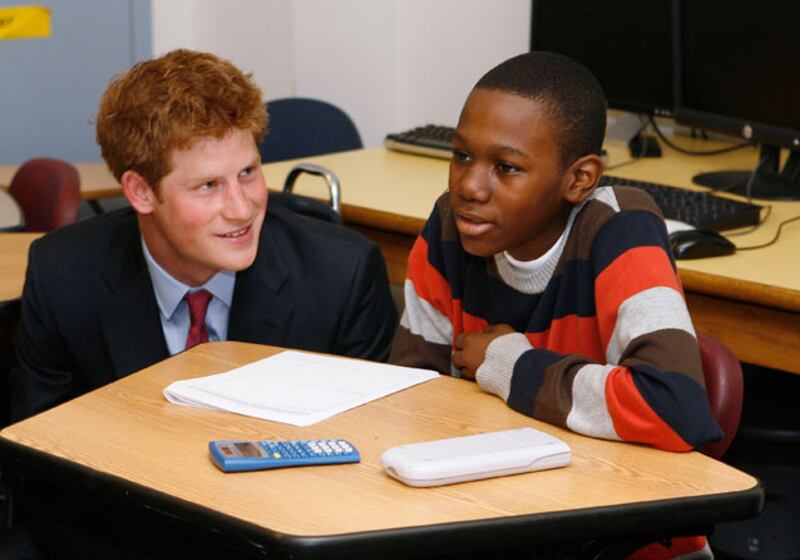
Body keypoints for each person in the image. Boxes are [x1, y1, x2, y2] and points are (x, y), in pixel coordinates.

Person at [390, 51, 722, 559]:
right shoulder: (449, 229)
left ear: (580, 179)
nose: (468, 187)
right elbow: (414, 401)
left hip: (620, 539)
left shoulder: (620, 230)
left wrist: (508, 363)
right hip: (495, 518)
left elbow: (673, 408)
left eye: (506, 167)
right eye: (461, 156)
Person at [11, 48, 397, 422]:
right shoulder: (64, 274)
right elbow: (39, 453)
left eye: (247, 173)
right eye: (209, 185)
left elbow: (363, 448)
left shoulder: (341, 276)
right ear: (141, 192)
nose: (242, 209)